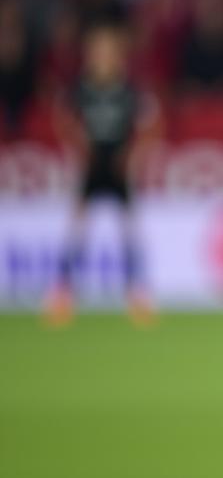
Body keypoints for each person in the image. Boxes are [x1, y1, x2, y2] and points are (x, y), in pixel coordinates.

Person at [46, 17, 158, 327]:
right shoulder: (81, 89)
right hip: (93, 164)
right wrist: (78, 146)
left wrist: (133, 154)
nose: (104, 57)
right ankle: (62, 294)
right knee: (78, 229)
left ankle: (136, 295)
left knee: (129, 230)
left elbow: (150, 125)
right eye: (98, 51)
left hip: (118, 165)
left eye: (109, 51)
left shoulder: (128, 90)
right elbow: (63, 118)